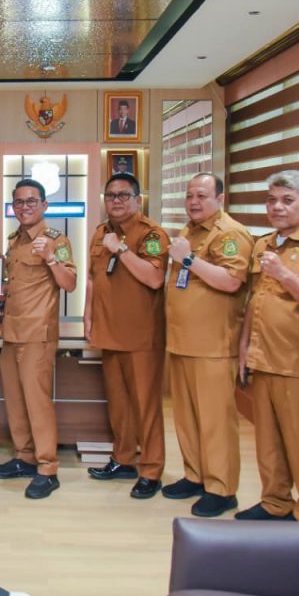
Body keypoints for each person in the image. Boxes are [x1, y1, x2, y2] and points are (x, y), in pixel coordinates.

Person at [236, 170, 299, 522]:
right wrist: (244, 349)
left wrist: (284, 274)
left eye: (287, 200)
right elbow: (254, 300)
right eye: (271, 200)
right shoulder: (263, 244)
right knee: (268, 443)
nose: (277, 207)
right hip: (262, 357)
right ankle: (275, 502)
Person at [163, 173, 253, 517]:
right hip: (183, 341)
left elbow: (231, 281)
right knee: (187, 419)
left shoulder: (230, 234)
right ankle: (195, 475)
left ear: (220, 198)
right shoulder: (190, 230)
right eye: (189, 196)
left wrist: (188, 260)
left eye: (202, 195)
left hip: (213, 345)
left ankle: (221, 488)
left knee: (216, 422)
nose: (194, 202)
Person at [84, 172, 169, 499]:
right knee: (119, 405)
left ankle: (151, 470)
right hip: (109, 332)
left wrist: (121, 250)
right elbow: (93, 279)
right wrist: (88, 315)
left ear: (138, 199)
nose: (116, 201)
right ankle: (123, 459)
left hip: (141, 337)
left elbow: (154, 278)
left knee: (145, 407)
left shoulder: (151, 234)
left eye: (123, 195)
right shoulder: (101, 232)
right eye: (110, 196)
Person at [0, 179, 76, 499]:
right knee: (15, 402)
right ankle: (25, 457)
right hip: (11, 332)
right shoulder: (14, 240)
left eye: (31, 201)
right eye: (19, 202)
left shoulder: (56, 239)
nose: (25, 207)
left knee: (38, 404)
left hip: (37, 335)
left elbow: (70, 284)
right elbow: (15, 285)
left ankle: (47, 468)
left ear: (44, 205)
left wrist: (51, 258)